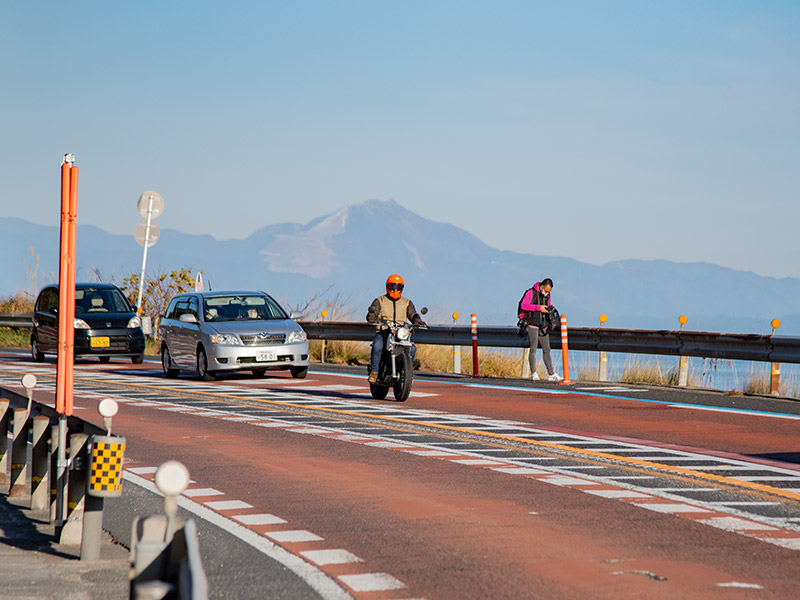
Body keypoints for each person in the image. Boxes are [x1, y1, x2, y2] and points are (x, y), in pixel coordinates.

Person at [365, 274, 426, 383]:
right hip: (384, 331)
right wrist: (372, 318)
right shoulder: (380, 300)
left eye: (398, 287)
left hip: (400, 333)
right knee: (377, 346)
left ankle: (406, 372)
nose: (395, 289)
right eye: (392, 286)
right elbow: (372, 314)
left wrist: (418, 321)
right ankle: (374, 372)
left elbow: (412, 315)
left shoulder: (406, 302)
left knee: (413, 349)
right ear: (387, 286)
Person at [518, 278, 562, 381]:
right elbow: (524, 305)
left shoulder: (548, 296)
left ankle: (551, 374)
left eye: (549, 292)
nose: (547, 293)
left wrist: (549, 310)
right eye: (546, 291)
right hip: (532, 324)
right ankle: (534, 373)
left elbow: (546, 306)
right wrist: (538, 308)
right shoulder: (530, 293)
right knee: (533, 348)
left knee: (547, 348)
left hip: (543, 325)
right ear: (541, 286)